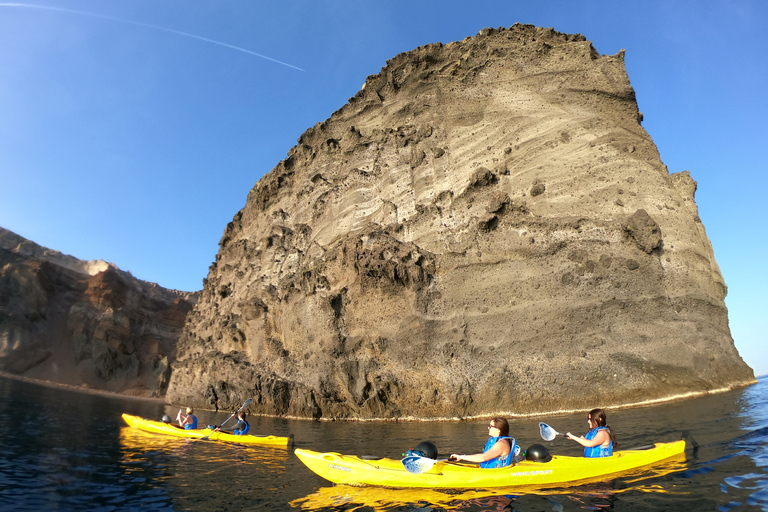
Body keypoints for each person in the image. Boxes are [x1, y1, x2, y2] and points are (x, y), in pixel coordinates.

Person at [450, 417, 516, 468]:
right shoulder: (494, 440)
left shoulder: (501, 444)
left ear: (498, 429)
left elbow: (483, 458)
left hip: (496, 473)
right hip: (486, 470)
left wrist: (462, 457)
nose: (488, 428)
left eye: (491, 426)